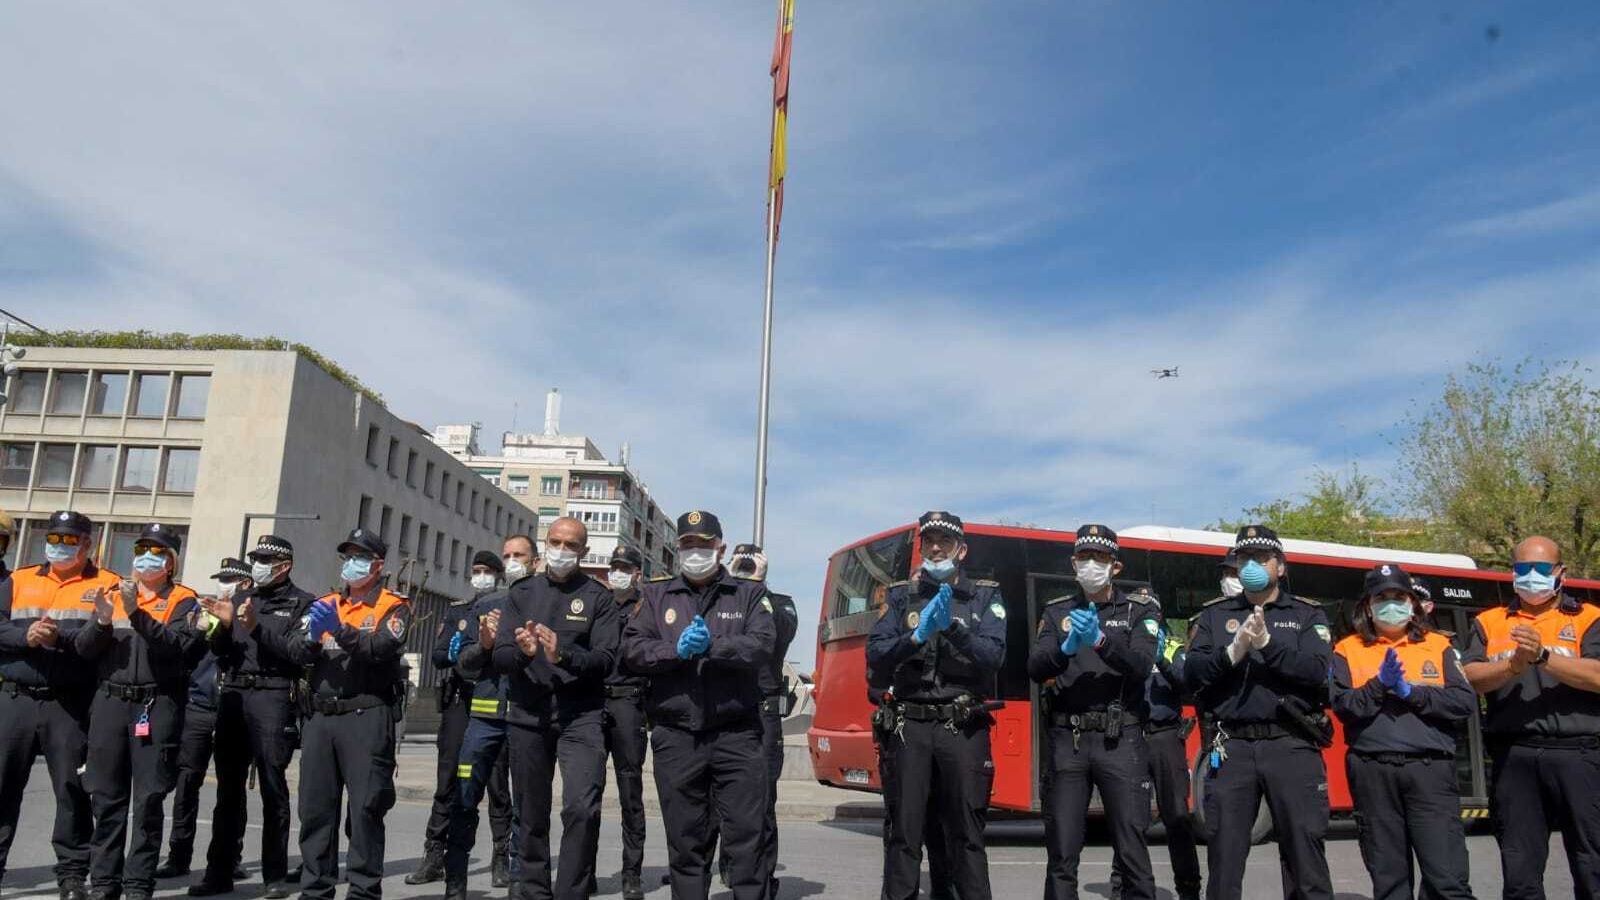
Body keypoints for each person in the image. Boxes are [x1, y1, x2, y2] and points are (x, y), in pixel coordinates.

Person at [620, 510, 777, 900]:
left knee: (746, 839)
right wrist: (675, 650)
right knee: (686, 842)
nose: (695, 551)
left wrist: (716, 646)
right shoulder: (656, 595)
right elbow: (632, 650)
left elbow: (761, 645)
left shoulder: (748, 594)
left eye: (703, 545)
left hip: (737, 734)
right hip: (677, 736)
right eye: (688, 544)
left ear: (720, 548)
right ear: (677, 549)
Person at [1184, 525, 1334, 900]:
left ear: (1280, 566)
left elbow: (1317, 672)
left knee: (1304, 850)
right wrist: (1232, 652)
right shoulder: (1214, 617)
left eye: (1261, 558)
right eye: (1244, 559)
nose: (1251, 565)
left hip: (1291, 742)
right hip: (1232, 747)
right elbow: (1193, 673)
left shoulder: (1306, 615)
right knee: (1224, 853)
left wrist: (1267, 646)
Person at [867, 511, 1006, 900]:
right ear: (921, 548)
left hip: (961, 728)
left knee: (966, 833)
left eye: (945, 541)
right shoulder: (899, 596)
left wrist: (955, 630)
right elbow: (876, 654)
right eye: (929, 541)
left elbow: (993, 656)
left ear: (962, 549)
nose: (937, 547)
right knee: (904, 832)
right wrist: (914, 638)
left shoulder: (985, 595)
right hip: (910, 726)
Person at [480, 518, 617, 900]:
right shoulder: (522, 592)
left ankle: (572, 892)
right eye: (554, 541)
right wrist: (525, 655)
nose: (560, 550)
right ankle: (534, 892)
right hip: (529, 714)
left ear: (584, 552)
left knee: (581, 808)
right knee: (531, 814)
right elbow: (501, 656)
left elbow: (607, 659)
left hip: (582, 716)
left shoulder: (597, 597)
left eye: (570, 545)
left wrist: (564, 655)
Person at [1461, 535, 1600, 900]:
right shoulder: (1489, 622)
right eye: (1524, 569)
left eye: (1541, 568)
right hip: (1515, 755)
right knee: (1519, 866)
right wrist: (1512, 666)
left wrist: (1543, 658)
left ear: (1560, 572)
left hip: (1580, 754)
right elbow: (1470, 677)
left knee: (1592, 860)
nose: (1532, 576)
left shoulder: (1589, 617)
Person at [74, 523, 206, 900]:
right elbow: (85, 649)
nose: (147, 558)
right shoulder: (113, 593)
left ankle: (137, 885)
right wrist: (101, 621)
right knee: (106, 796)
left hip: (156, 703)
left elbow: (176, 648)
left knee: (148, 799)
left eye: (158, 552)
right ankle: (103, 882)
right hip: (111, 703)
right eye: (142, 549)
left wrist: (136, 613)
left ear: (170, 562)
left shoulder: (184, 600)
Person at [1028, 525, 1159, 900]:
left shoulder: (1138, 610)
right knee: (1062, 852)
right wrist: (1066, 649)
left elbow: (1142, 663)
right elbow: (1036, 667)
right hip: (1068, 742)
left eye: (1099, 558)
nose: (1091, 565)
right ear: (1073, 563)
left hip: (1120, 739)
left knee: (1131, 846)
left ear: (1115, 566)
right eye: (1084, 557)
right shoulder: (1057, 612)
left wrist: (1102, 642)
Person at [1331, 564, 1476, 900]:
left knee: (1447, 877)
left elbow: (1462, 702)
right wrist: (1379, 685)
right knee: (1389, 880)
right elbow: (1343, 705)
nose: (1391, 604)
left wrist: (1412, 692)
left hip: (1429, 771)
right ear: (1368, 605)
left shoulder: (1437, 646)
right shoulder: (1347, 649)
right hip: (1373, 770)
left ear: (1412, 603)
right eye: (1382, 597)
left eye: (1399, 596)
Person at [284, 527, 411, 900]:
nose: (351, 564)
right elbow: (295, 651)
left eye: (360, 557)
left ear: (377, 564)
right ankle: (316, 889)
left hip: (366, 714)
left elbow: (380, 648)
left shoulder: (392, 605)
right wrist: (310, 640)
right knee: (316, 809)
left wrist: (341, 632)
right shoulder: (324, 604)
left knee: (366, 809)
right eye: (347, 556)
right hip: (321, 718)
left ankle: (363, 890)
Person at [0, 510, 119, 900]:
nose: (59, 546)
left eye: (69, 540)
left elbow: (103, 640)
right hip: (14, 698)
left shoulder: (107, 584)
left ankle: (71, 877)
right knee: (1, 787)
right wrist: (26, 636)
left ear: (87, 544)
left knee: (71, 791)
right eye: (54, 538)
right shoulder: (17, 579)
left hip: (69, 703)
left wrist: (60, 637)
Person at [194, 534, 316, 898]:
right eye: (256, 559)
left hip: (274, 695)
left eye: (266, 559)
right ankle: (219, 871)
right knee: (228, 791)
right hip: (233, 692)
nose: (259, 565)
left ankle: (275, 875)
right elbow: (220, 651)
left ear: (284, 566)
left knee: (272, 788)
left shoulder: (301, 603)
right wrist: (222, 626)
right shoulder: (240, 598)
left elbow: (298, 653)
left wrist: (255, 628)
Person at [408, 550, 513, 890]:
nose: (480, 576)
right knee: (449, 779)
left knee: (497, 782)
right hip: (459, 702)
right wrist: (454, 650)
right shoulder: (458, 611)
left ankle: (501, 857)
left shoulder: (507, 607)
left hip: (493, 701)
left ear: (498, 575)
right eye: (476, 570)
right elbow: (439, 656)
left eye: (487, 571)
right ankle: (434, 855)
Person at [446, 536, 531, 896]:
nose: (512, 562)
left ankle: (516, 880)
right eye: (507, 556)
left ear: (535, 561)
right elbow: (463, 665)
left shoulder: (546, 603)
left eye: (519, 556)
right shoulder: (487, 604)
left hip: (528, 720)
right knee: (464, 798)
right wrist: (484, 644)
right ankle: (455, 883)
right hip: (483, 720)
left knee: (525, 809)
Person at [158, 558, 250, 887]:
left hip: (232, 707)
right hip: (198, 705)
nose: (225, 584)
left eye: (232, 579)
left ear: (246, 583)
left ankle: (231, 856)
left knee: (232, 788)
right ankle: (178, 855)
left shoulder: (248, 616)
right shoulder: (202, 611)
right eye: (221, 578)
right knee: (186, 783)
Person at [1111, 590, 1203, 900]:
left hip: (1165, 737)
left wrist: (1162, 659)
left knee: (1176, 816)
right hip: (1132, 735)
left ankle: (1188, 888)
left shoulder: (1175, 647)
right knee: (1128, 818)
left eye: (1150, 609)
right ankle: (1122, 885)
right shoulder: (1128, 643)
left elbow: (1188, 685)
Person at [585, 545, 650, 900]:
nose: (618, 573)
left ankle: (631, 874)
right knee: (587, 791)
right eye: (614, 567)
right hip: (594, 703)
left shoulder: (647, 606)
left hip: (628, 703)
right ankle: (586, 870)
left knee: (630, 793)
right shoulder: (600, 603)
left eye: (625, 567)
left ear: (638, 572)